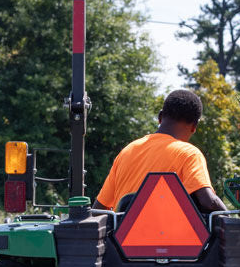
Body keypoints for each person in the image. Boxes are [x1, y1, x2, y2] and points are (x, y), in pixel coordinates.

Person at [93, 89, 227, 214]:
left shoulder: (126, 152)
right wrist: (233, 221)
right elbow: (209, 202)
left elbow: (98, 209)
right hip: (170, 239)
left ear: (160, 116)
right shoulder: (189, 154)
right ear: (194, 126)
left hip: (121, 238)